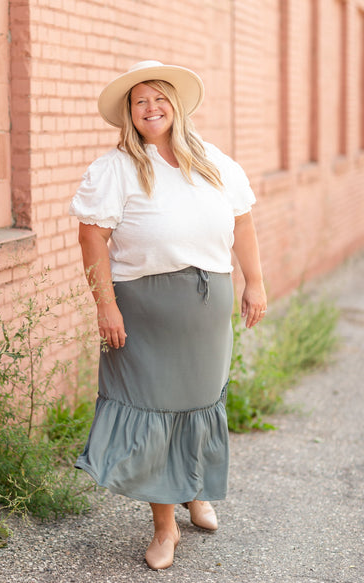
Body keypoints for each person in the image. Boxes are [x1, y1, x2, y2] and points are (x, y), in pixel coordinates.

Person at [69, 60, 267, 570]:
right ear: (130, 115)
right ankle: (164, 528)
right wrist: (105, 305)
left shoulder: (215, 162)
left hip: (208, 304)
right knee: (154, 411)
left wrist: (255, 282)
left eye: (159, 98)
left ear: (176, 105)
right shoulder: (115, 168)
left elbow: (242, 225)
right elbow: (92, 236)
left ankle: (192, 489)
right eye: (140, 102)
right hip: (144, 310)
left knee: (200, 402)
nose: (151, 108)